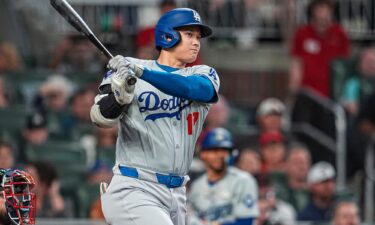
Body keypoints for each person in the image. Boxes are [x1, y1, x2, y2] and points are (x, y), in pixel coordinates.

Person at [90, 8, 219, 225]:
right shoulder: (126, 69)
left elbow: (194, 89)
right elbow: (100, 118)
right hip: (134, 186)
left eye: (198, 37)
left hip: (177, 193)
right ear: (168, 35)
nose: (196, 42)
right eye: (189, 34)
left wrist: (141, 73)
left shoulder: (202, 73)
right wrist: (119, 99)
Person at [188, 128, 259, 225]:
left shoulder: (244, 180)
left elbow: (246, 222)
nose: (219, 155)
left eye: (224, 150)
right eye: (213, 150)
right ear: (203, 154)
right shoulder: (196, 186)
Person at [289, 0, 350, 98]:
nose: (322, 21)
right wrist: (294, 86)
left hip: (331, 92)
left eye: (325, 17)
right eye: (319, 18)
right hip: (308, 91)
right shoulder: (302, 33)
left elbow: (345, 64)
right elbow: (296, 62)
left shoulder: (339, 34)